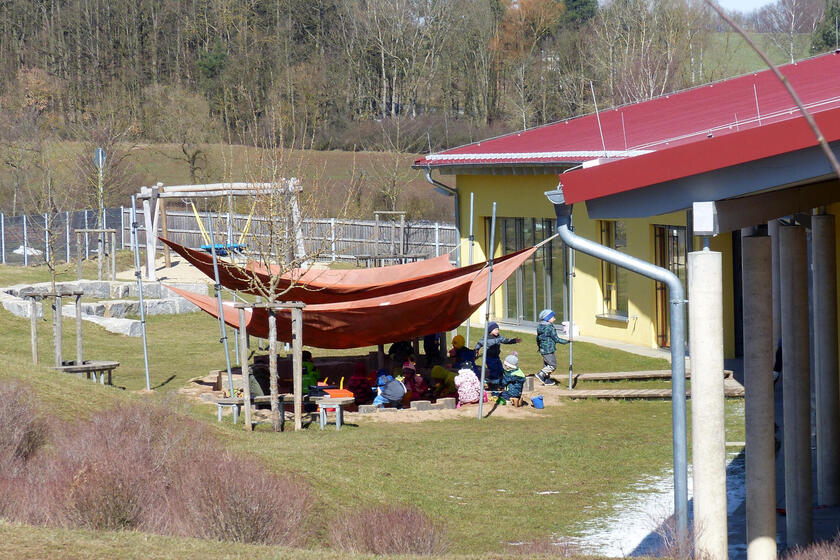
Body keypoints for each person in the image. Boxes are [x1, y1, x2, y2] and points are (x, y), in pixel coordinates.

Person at [474, 322, 520, 387]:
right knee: (493, 370)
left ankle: (500, 382)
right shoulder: (486, 337)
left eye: (498, 329)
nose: (497, 331)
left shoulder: (499, 337)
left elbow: (505, 340)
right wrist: (476, 350)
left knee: (500, 369)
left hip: (496, 357)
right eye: (495, 330)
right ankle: (492, 383)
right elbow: (479, 343)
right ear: (490, 330)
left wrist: (514, 340)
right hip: (489, 357)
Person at [536, 309, 568, 386]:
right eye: (553, 317)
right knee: (552, 365)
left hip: (543, 349)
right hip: (549, 349)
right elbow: (556, 338)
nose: (555, 319)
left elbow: (538, 338)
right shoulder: (550, 327)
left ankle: (546, 380)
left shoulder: (540, 326)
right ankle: (540, 374)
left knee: (546, 365)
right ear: (547, 318)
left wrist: (539, 347)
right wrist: (566, 341)